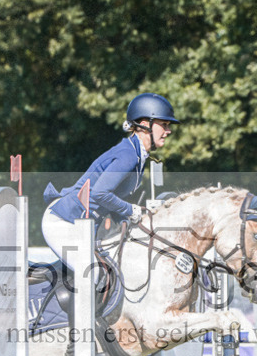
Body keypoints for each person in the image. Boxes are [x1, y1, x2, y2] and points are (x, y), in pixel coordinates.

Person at [41, 92, 178, 273]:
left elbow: (108, 200)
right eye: (164, 125)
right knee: (93, 274)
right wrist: (130, 210)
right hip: (63, 221)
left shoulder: (136, 154)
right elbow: (100, 194)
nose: (168, 131)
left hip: (82, 224)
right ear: (145, 125)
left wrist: (131, 219)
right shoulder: (128, 155)